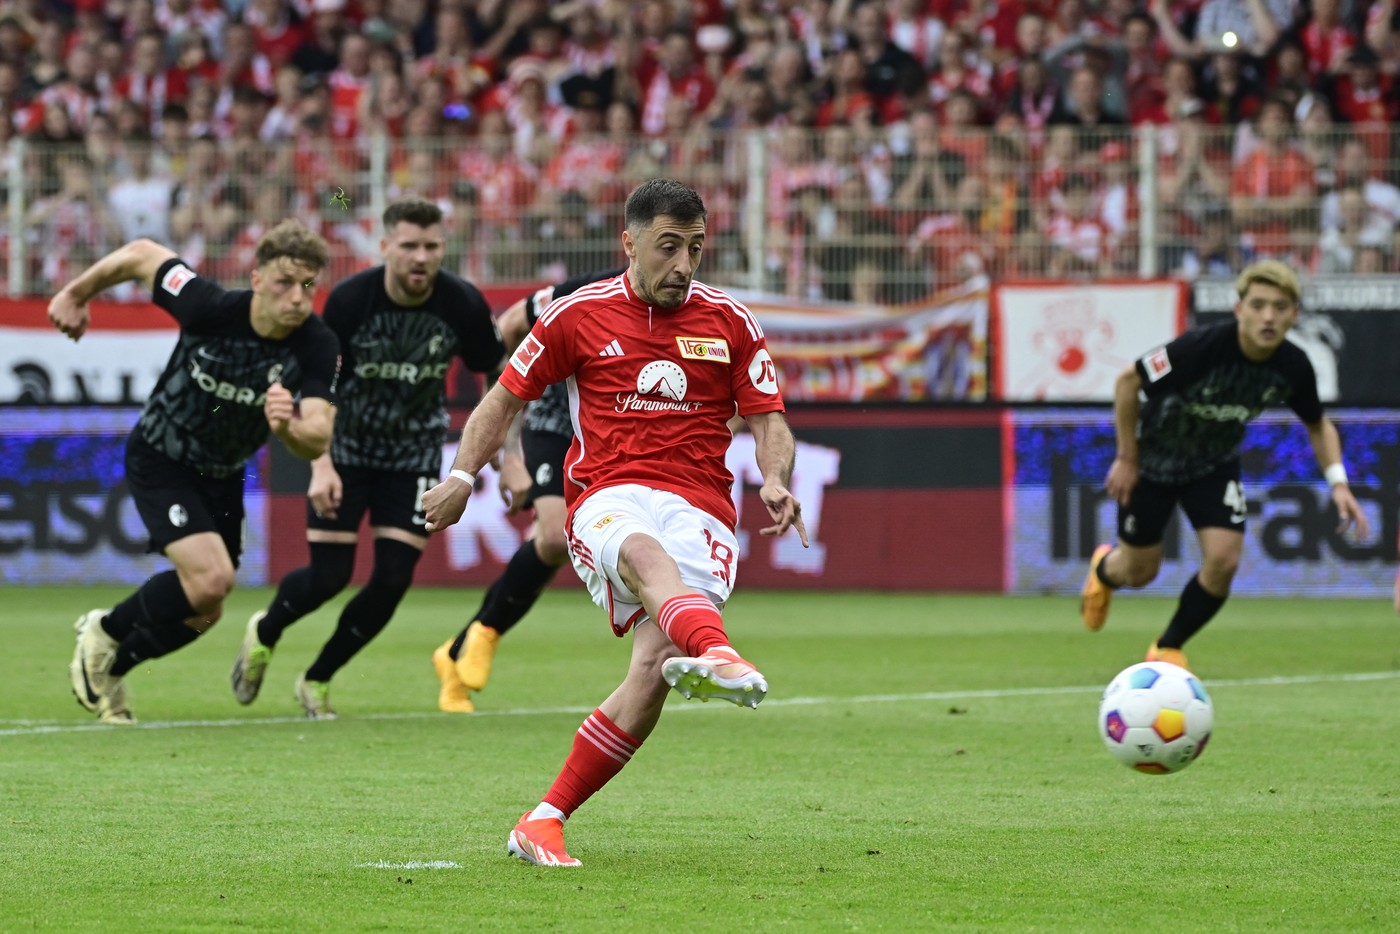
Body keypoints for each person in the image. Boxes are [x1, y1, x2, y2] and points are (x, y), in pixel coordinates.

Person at [420, 178, 808, 867]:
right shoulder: (577, 314)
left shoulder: (731, 321)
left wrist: (775, 478)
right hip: (609, 492)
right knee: (639, 551)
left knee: (655, 669)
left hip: (703, 506)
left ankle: (543, 819)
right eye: (668, 247)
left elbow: (769, 418)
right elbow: (505, 397)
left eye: (695, 247)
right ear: (629, 243)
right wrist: (461, 475)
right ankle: (717, 650)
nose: (683, 265)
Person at [49, 222, 340, 725]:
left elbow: (318, 433)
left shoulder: (317, 344)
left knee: (205, 611)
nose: (297, 298)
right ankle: (105, 629)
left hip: (222, 474)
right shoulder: (208, 306)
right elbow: (142, 253)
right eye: (284, 283)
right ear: (256, 278)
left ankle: (112, 668)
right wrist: (77, 292)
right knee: (211, 580)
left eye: (308, 285)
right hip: (162, 456)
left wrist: (288, 427)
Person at [230, 198, 507, 720]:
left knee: (393, 578)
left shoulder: (462, 303)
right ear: (384, 248)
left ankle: (316, 679)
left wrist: (506, 456)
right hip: (346, 450)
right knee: (328, 576)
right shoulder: (351, 302)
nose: (420, 257)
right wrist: (321, 464)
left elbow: (504, 378)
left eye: (431, 246)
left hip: (412, 457)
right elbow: (319, 386)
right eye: (408, 246)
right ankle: (265, 632)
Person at [1080, 260, 1370, 670]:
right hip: (1154, 464)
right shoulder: (1199, 349)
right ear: (1240, 310)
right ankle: (1104, 570)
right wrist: (1128, 457)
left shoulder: (1293, 367)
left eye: (1280, 306)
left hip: (1213, 465)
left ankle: (1167, 646)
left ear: (1294, 314)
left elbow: (1318, 425)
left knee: (1225, 559)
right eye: (1259, 305)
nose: (1268, 316)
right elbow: (1129, 381)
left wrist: (1339, 483)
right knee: (1139, 571)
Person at [433, 265, 626, 714]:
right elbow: (505, 332)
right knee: (556, 536)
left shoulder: (682, 304)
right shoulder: (580, 291)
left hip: (616, 435)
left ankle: (460, 648)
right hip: (554, 422)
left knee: (557, 545)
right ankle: (483, 636)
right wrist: (510, 452)